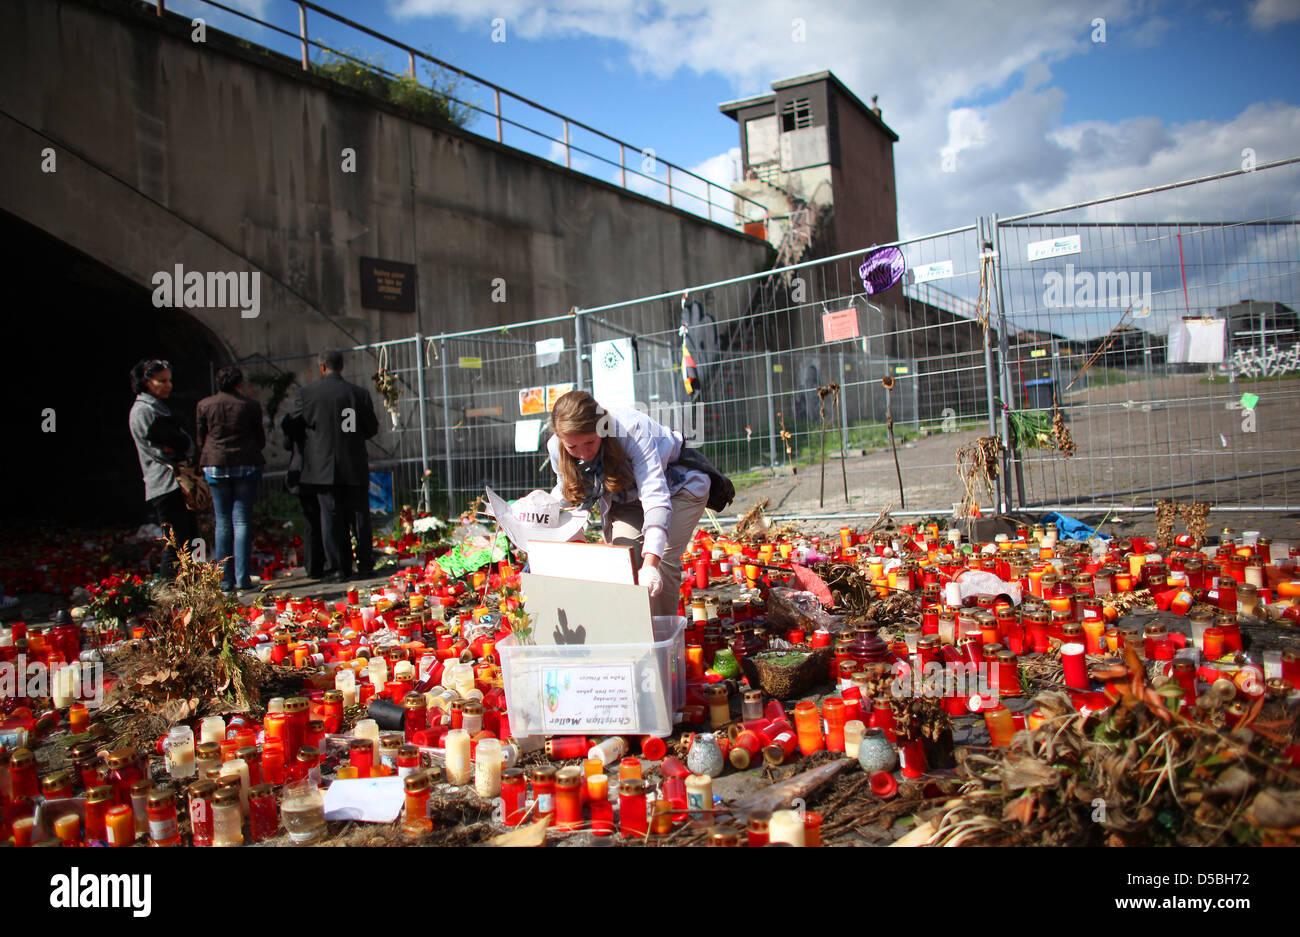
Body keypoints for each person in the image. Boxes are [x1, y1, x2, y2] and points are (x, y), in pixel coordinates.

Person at [547, 390, 724, 617]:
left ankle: (660, 640)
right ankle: (633, 630)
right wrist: (541, 506)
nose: (583, 454)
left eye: (590, 442)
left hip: (678, 485)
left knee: (663, 559)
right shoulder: (556, 446)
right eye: (573, 447)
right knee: (625, 558)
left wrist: (650, 565)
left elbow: (654, 495)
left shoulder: (630, 429)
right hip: (627, 495)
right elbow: (568, 491)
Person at [284, 350, 379, 582]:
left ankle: (338, 568)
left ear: (322, 367)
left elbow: (292, 424)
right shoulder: (359, 394)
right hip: (354, 465)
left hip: (322, 468)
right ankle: (365, 565)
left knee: (330, 517)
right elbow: (371, 429)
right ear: (341, 366)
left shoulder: (307, 394)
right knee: (359, 517)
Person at [196, 365, 265, 592]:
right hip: (245, 464)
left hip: (216, 465)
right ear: (239, 384)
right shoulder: (250, 406)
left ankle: (225, 580)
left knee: (222, 521)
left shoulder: (205, 405)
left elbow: (200, 437)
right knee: (242, 521)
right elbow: (259, 437)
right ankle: (243, 578)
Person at [128, 358, 197, 579]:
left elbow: (183, 443)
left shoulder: (158, 407)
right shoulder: (143, 411)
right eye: (162, 381)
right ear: (147, 382)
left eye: (169, 380)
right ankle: (169, 597)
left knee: (188, 540)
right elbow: (160, 450)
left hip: (175, 481)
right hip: (165, 483)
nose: (168, 385)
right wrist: (178, 446)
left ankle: (189, 594)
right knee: (175, 545)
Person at [281, 408, 325, 581]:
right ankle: (326, 561)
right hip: (317, 471)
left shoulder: (293, 419)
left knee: (310, 522)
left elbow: (286, 445)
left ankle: (313, 565)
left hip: (300, 472)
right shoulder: (317, 415)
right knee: (325, 517)